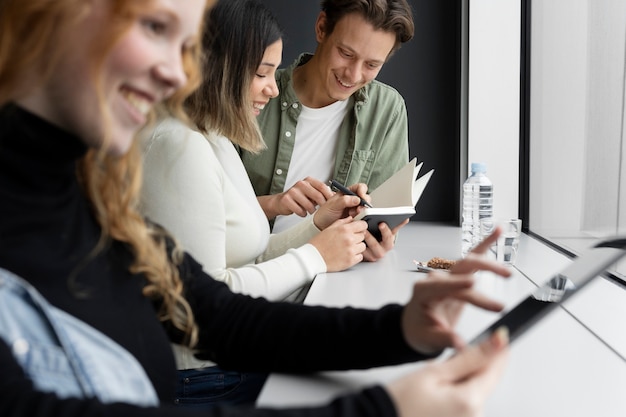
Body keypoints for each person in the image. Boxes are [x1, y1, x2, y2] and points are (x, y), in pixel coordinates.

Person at [0, 1, 511, 417]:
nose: (179, 74)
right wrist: (387, 407)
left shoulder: (92, 206)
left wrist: (402, 328)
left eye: (186, 47)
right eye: (154, 27)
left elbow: (219, 315)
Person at [139, 0, 369, 406]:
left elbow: (249, 257)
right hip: (203, 379)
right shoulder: (179, 148)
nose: (274, 87)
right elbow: (206, 303)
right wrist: (315, 257)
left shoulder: (212, 134)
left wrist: (318, 224)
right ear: (218, 68)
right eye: (262, 72)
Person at [240, 0, 414, 236]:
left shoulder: (387, 110)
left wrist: (377, 242)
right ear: (322, 27)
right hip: (253, 263)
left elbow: (381, 222)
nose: (353, 75)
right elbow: (213, 214)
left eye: (372, 65)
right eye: (345, 53)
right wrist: (275, 203)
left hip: (335, 269)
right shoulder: (252, 95)